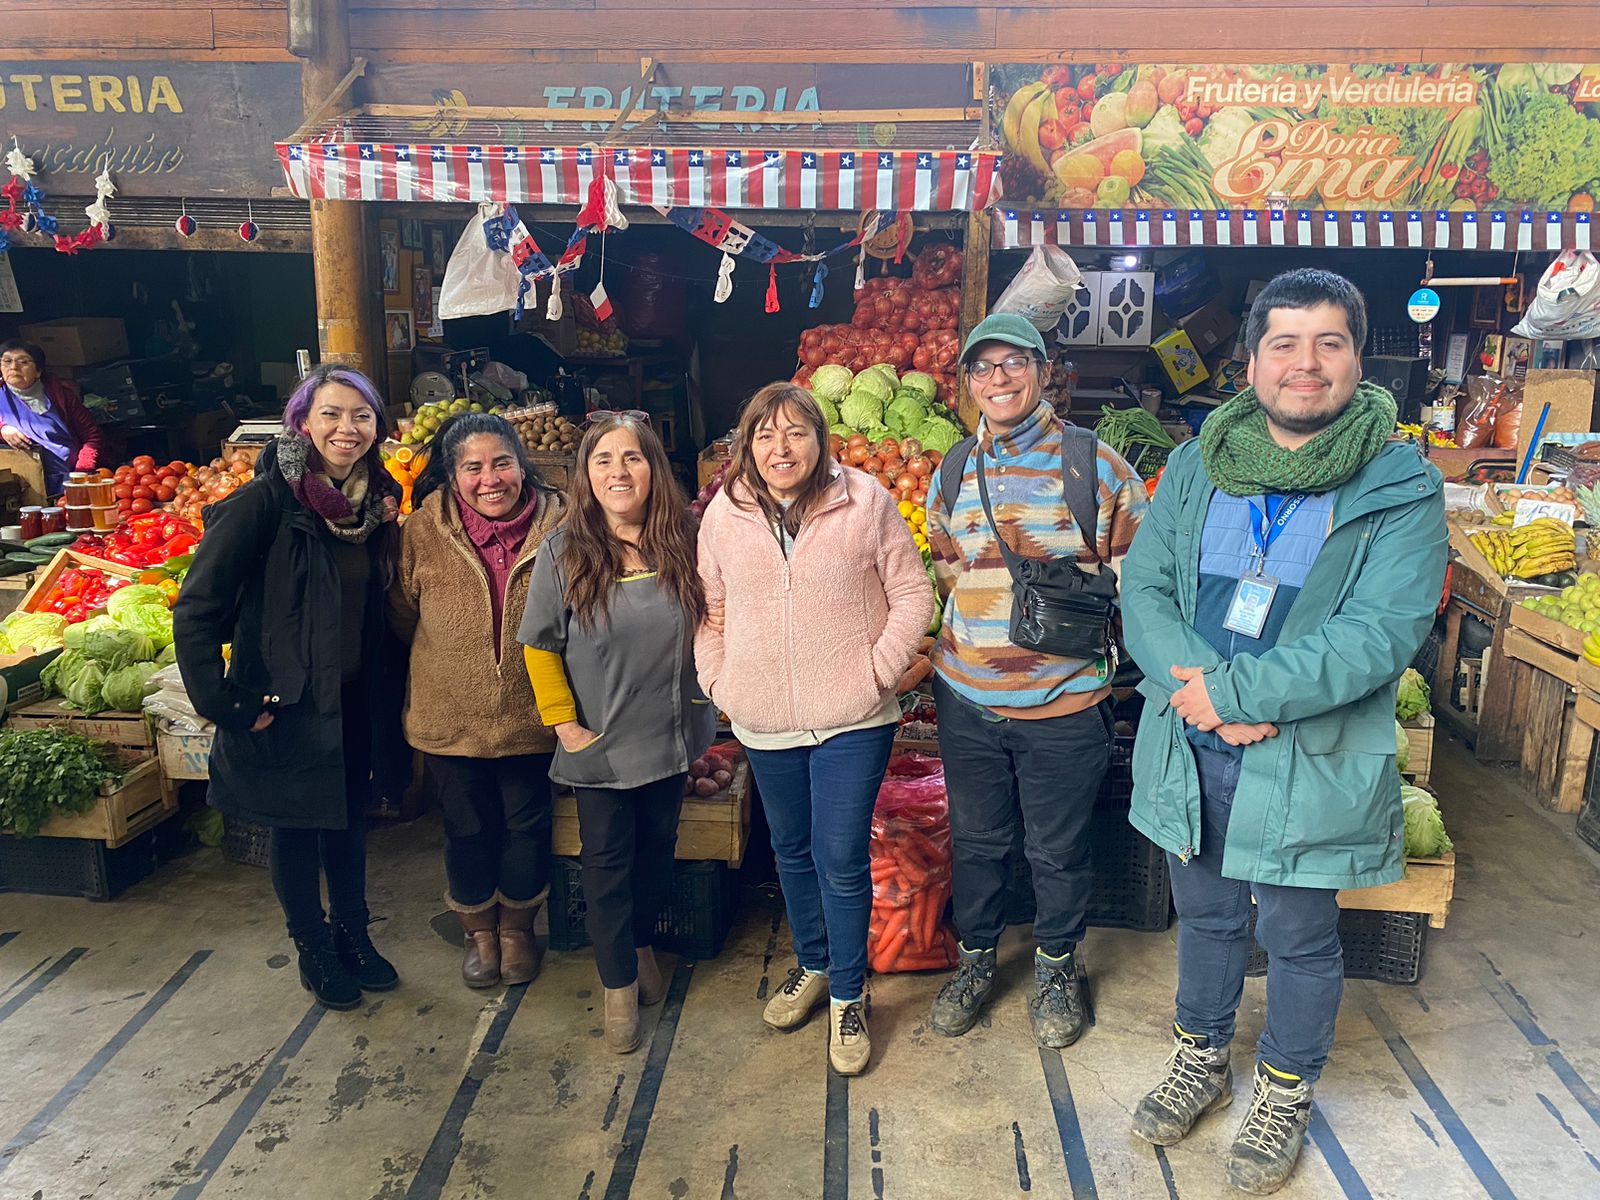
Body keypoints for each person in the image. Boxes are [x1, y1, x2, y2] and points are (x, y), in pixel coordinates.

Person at [1121, 268, 1446, 1195]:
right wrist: (1202, 694)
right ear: (1253, 361)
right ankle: (1201, 1058)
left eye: (1328, 343)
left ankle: (1285, 1091)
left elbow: (1380, 632)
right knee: (1207, 915)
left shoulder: (1400, 484)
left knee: (1301, 935)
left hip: (1308, 751)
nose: (1306, 364)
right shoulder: (1199, 464)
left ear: (1357, 359)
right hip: (1193, 739)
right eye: (1285, 344)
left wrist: (1239, 693)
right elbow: (1145, 587)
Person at [923, 312, 1147, 1049]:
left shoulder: (1095, 466)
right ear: (968, 383)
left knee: (1058, 849)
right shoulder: (954, 469)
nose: (999, 379)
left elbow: (1140, 579)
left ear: (1043, 372)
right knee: (977, 841)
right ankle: (976, 960)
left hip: (1066, 705)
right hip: (967, 699)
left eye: (1015, 362)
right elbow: (950, 571)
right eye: (983, 367)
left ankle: (1056, 967)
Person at [695, 383, 933, 1076]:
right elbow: (708, 609)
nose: (781, 448)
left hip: (853, 720)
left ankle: (849, 995)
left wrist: (876, 672)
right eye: (765, 434)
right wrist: (721, 681)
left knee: (839, 855)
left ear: (819, 441)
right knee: (792, 851)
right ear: (747, 446)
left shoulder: (865, 500)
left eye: (795, 432)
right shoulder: (724, 514)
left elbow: (913, 593)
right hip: (764, 718)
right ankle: (814, 964)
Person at [174, 364, 402, 1011]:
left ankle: (353, 933)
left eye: (361, 416)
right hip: (286, 702)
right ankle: (314, 948)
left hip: (352, 697)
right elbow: (196, 609)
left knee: (349, 821)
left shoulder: (375, 504)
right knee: (296, 830)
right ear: (302, 422)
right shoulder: (265, 503)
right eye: (331, 413)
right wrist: (224, 702)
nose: (346, 428)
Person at [518, 412, 713, 1054]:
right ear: (586, 474)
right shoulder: (563, 551)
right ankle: (618, 986)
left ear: (654, 468)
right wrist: (565, 725)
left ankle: (641, 945)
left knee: (658, 852)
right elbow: (540, 645)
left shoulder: (684, 539)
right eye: (603, 459)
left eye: (632, 457)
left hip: (670, 732)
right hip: (600, 741)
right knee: (605, 866)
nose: (618, 471)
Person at [389, 412, 565, 990]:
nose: (490, 479)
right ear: (452, 475)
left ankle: (516, 930)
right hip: (451, 715)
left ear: (522, 466)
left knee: (527, 827)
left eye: (502, 463)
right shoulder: (422, 531)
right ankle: (478, 933)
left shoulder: (562, 526)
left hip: (532, 715)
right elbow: (402, 613)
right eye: (473, 468)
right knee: (466, 829)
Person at [0, 338, 104, 499]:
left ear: (38, 371)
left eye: (23, 362)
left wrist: (82, 472)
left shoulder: (61, 395)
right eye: (7, 361)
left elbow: (92, 436)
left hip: (70, 481)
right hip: (25, 487)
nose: (13, 367)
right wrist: (2, 429)